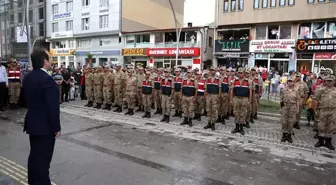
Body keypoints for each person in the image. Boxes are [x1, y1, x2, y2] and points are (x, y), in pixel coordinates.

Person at [23, 49, 61, 185]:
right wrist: (56, 127)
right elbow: (53, 107)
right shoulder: (47, 80)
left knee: (34, 157)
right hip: (45, 127)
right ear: (45, 61)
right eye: (50, 58)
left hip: (32, 124)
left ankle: (33, 181)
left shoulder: (28, 77)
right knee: (43, 161)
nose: (51, 61)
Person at [313, 75, 336, 150]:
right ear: (325, 81)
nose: (329, 82)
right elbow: (316, 99)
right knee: (321, 126)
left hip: (333, 111)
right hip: (323, 110)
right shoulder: (321, 90)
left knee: (331, 126)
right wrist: (315, 109)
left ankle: (328, 142)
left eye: (330, 81)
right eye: (327, 81)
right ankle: (320, 141)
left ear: (334, 82)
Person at [280, 78, 300, 143]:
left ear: (294, 83)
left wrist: (297, 108)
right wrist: (281, 108)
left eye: (291, 81)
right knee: (284, 121)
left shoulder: (296, 91)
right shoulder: (284, 90)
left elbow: (297, 100)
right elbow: (281, 100)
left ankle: (289, 136)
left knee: (291, 122)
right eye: (289, 81)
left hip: (292, 107)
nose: (290, 82)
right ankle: (284, 135)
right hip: (285, 107)